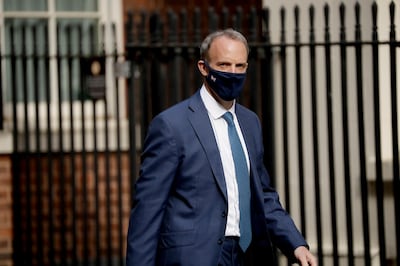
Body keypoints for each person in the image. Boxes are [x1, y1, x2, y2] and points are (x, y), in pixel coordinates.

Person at [126, 28, 317, 266]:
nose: (233, 73)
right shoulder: (171, 126)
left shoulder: (250, 123)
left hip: (248, 255)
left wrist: (295, 244)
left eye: (240, 66)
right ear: (203, 68)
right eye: (224, 65)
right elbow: (148, 210)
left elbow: (263, 195)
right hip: (195, 258)